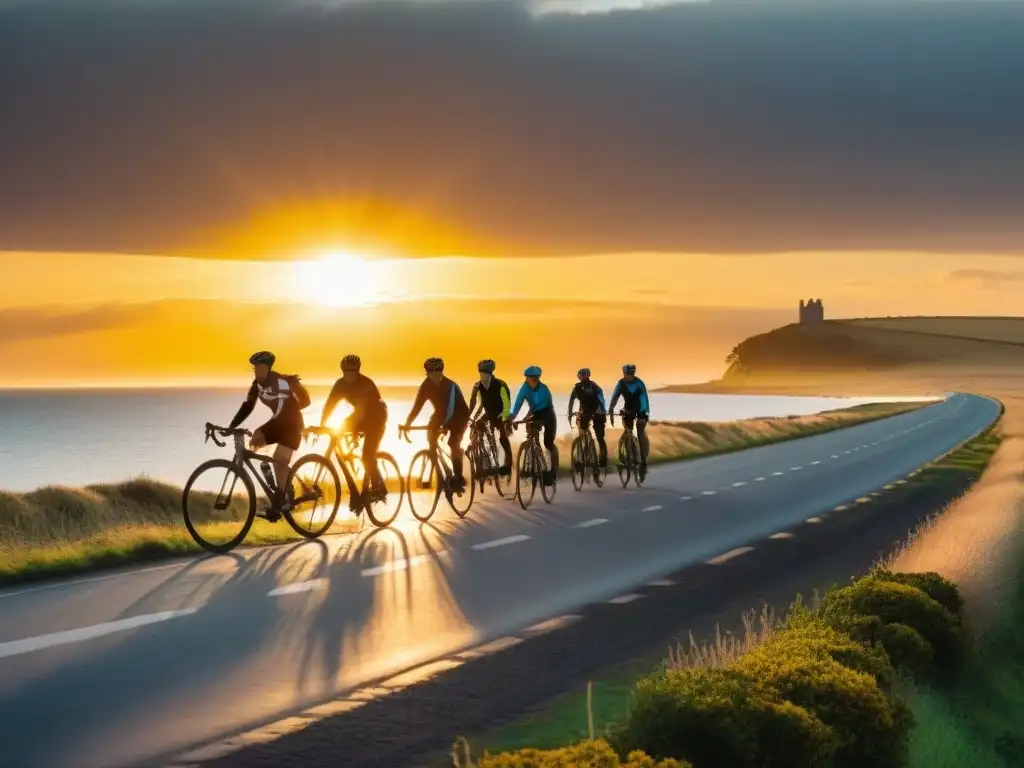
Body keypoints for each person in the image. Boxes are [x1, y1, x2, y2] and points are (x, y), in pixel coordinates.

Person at [227, 351, 308, 519]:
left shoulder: (281, 382)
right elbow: (248, 406)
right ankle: (276, 483)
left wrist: (295, 392)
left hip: (293, 426)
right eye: (255, 367)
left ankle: (283, 497)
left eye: (260, 367)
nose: (256, 371)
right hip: (277, 424)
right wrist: (231, 426)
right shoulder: (257, 384)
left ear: (268, 368)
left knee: (280, 458)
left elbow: (306, 401)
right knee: (255, 441)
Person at [320, 354, 389, 510]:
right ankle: (355, 489)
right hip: (360, 416)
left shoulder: (366, 384)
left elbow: (362, 411)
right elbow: (330, 404)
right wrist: (322, 424)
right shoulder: (340, 384)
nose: (349, 375)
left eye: (352, 371)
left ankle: (380, 488)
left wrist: (349, 427)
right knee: (340, 444)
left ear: (358, 371)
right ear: (342, 371)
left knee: (367, 456)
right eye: (346, 371)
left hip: (377, 418)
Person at [403, 357, 471, 493]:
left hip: (460, 416)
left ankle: (458, 478)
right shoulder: (426, 386)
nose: (430, 375)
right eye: (427, 372)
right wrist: (408, 424)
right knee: (431, 440)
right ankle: (440, 476)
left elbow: (451, 409)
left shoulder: (450, 386)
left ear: (440, 372)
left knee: (453, 443)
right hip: (441, 414)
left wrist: (444, 426)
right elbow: (417, 406)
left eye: (432, 372)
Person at [509, 365, 559, 486]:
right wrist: (512, 417)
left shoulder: (544, 389)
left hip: (548, 413)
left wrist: (529, 414)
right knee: (532, 434)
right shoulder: (524, 388)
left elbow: (546, 404)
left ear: (538, 379)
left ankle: (553, 472)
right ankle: (534, 460)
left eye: (534, 378)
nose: (531, 381)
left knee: (548, 442)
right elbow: (518, 403)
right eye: (529, 378)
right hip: (535, 413)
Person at [468, 359, 513, 475]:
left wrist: (505, 419)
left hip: (501, 412)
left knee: (503, 436)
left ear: (491, 373)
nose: (483, 374)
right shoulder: (477, 386)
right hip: (488, 413)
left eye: (485, 372)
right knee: (477, 426)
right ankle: (482, 453)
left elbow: (507, 404)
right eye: (481, 372)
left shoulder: (500, 385)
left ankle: (508, 464)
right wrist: (468, 416)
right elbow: (473, 403)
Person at [609, 363, 651, 481]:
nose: (629, 376)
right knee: (627, 431)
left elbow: (644, 399)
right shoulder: (621, 383)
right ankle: (629, 456)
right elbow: (614, 397)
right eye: (627, 374)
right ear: (624, 374)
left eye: (631, 374)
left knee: (641, 432)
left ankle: (643, 461)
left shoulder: (639, 383)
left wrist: (643, 414)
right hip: (627, 410)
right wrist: (611, 410)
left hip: (641, 410)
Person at [567, 367, 608, 471]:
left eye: (584, 375)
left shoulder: (594, 386)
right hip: (585, 412)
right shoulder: (577, 388)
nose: (582, 377)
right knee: (582, 430)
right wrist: (570, 413)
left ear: (588, 376)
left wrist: (602, 411)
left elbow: (601, 400)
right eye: (581, 376)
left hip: (597, 411)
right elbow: (571, 400)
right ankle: (582, 452)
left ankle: (603, 459)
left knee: (599, 436)